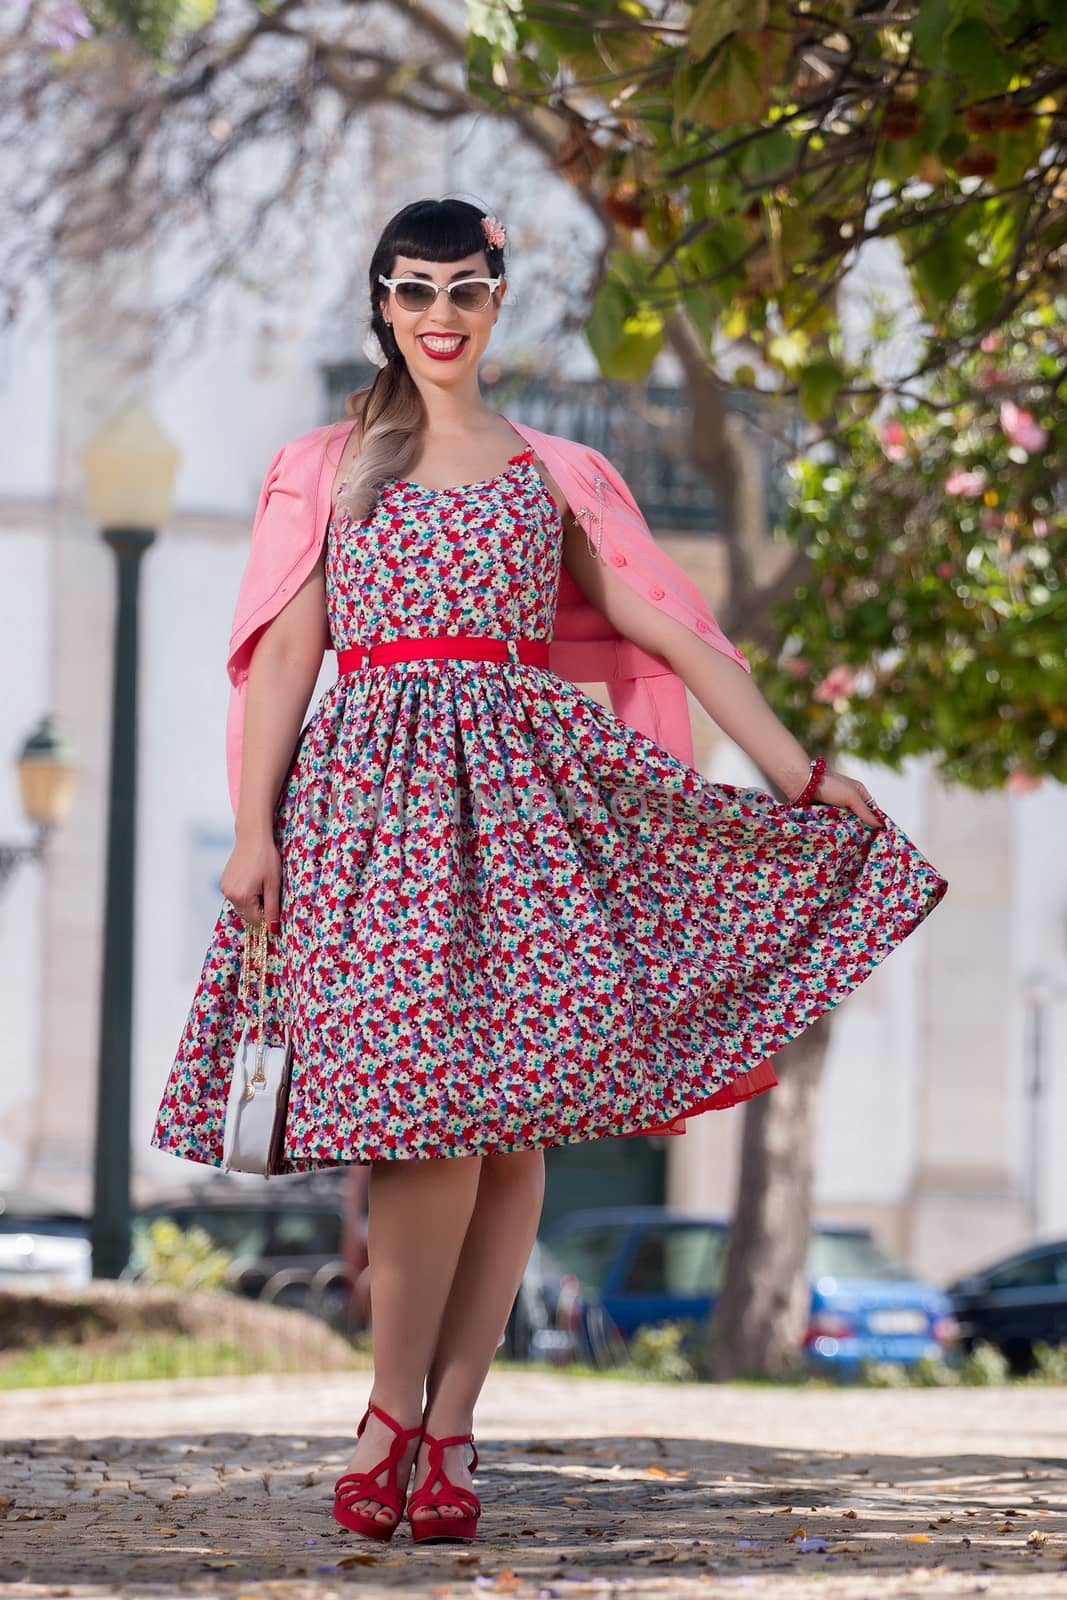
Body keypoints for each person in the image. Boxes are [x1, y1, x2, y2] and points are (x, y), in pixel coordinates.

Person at [151, 196, 948, 1546]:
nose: (441, 318)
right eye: (415, 293)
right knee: (418, 1114)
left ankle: (449, 1428)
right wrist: (251, 826)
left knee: (508, 1124)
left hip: (531, 810)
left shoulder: (554, 472)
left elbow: (678, 633)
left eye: (465, 292)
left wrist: (801, 773)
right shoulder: (324, 467)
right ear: (383, 304)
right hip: (368, 809)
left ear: (498, 299)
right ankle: (388, 1408)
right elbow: (285, 654)